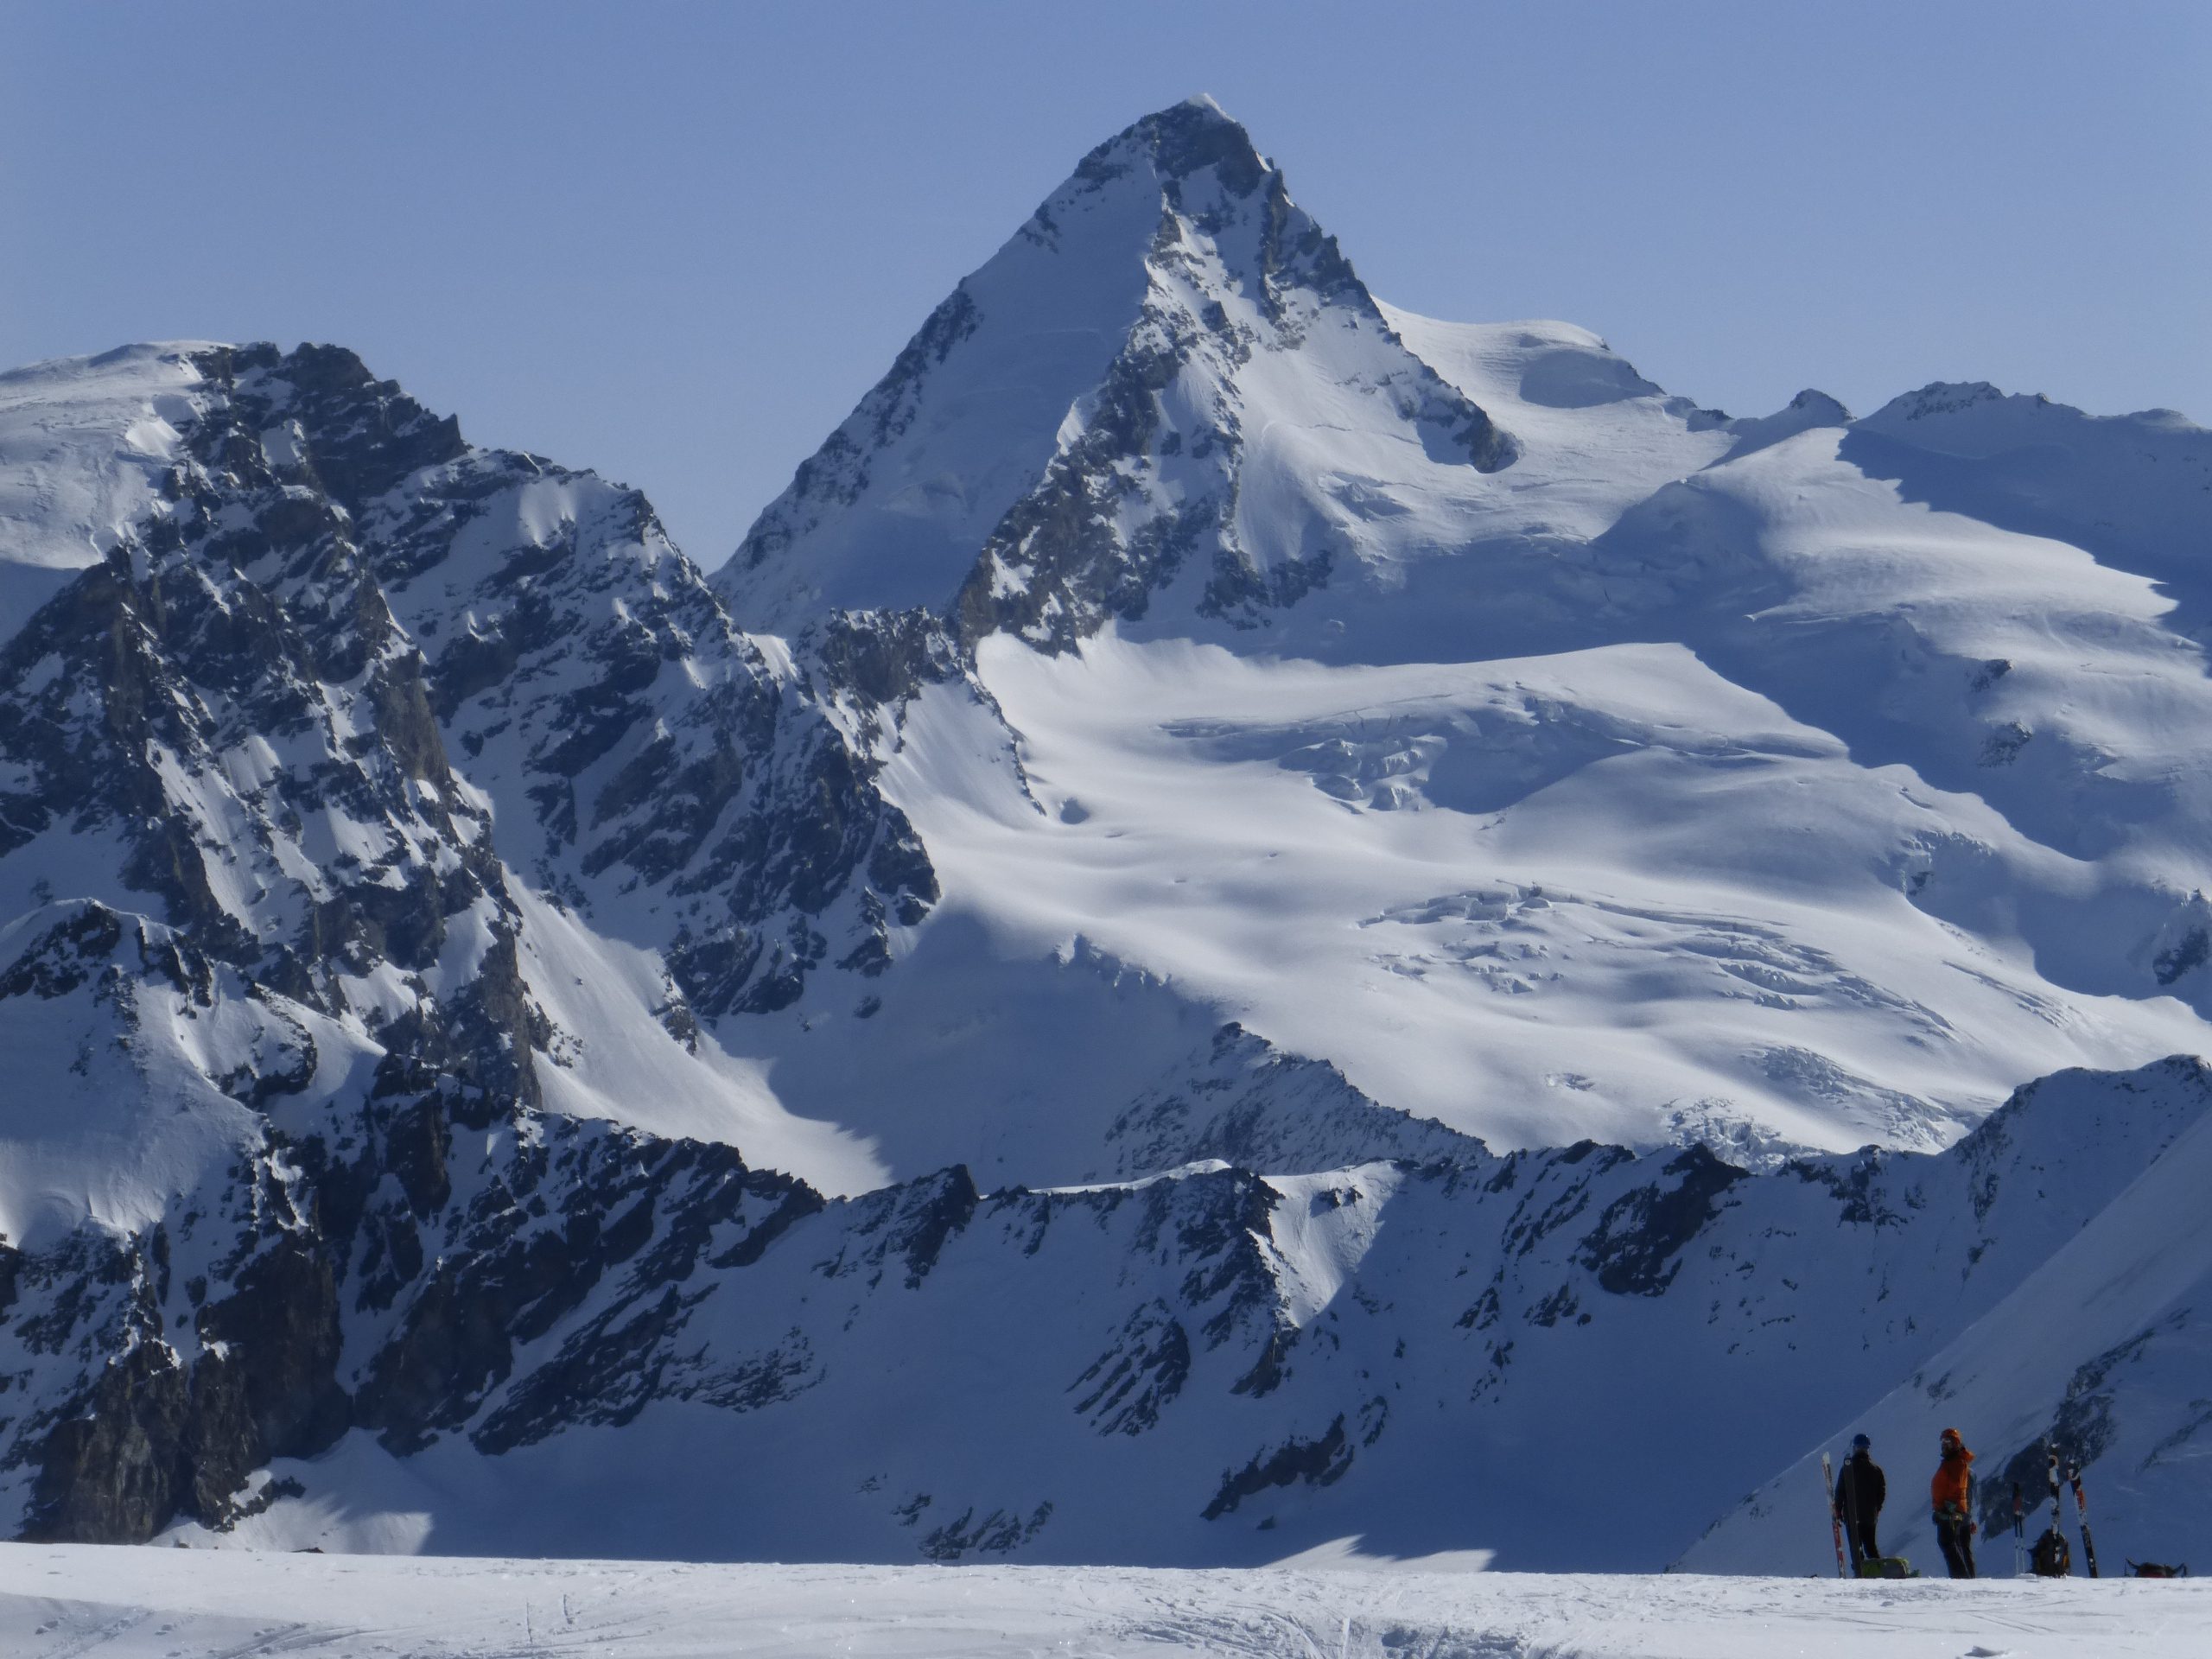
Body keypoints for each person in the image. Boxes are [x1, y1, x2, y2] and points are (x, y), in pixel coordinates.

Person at [1834, 1433, 1886, 1569]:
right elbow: (1881, 1493)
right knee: (1871, 1546)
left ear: (1855, 1448)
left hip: (1852, 1515)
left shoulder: (1848, 1468)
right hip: (1870, 1516)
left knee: (1856, 1548)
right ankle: (1879, 1571)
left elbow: (1840, 1492)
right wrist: (1876, 1509)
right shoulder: (1876, 1470)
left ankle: (1860, 1573)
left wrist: (1838, 1513)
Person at [1930, 1427, 1977, 1579]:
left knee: (1949, 1543)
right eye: (1943, 1441)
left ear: (1956, 1443)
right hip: (1948, 1510)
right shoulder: (1952, 1462)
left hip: (1950, 1512)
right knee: (1952, 1544)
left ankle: (1961, 1578)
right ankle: (1961, 1577)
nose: (1945, 1444)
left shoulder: (1957, 1463)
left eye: (1949, 1441)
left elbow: (1958, 1486)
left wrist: (1947, 1508)